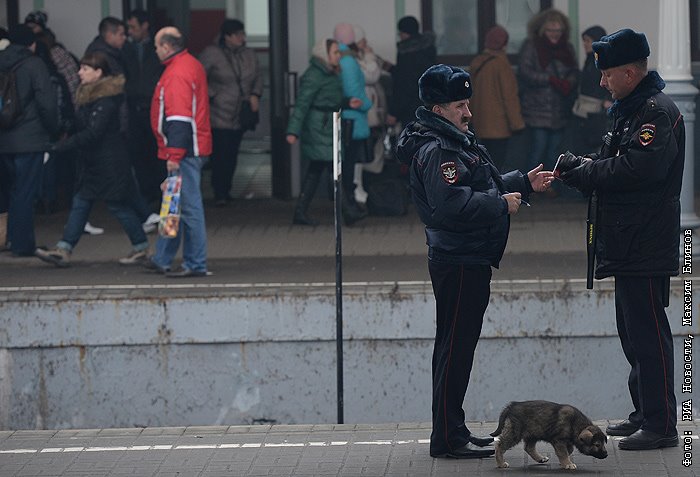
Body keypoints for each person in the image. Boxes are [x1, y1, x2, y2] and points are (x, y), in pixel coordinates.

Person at [395, 64, 553, 459]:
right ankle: (448, 439)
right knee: (455, 348)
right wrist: (500, 204)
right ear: (437, 109)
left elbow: (480, 181)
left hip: (467, 256)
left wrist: (520, 183)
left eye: (468, 103)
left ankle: (454, 429)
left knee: (456, 347)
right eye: (460, 105)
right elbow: (451, 206)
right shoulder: (439, 149)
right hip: (460, 258)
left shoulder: (452, 139)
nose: (468, 113)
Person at [556, 29, 681, 451]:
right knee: (632, 333)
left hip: (645, 241)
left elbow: (637, 170)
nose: (602, 83)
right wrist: (584, 165)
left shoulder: (654, 113)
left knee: (649, 335)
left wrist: (586, 173)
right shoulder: (630, 109)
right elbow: (616, 161)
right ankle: (645, 412)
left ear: (630, 72)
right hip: (628, 240)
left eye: (607, 74)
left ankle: (663, 424)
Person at [35, 52, 149, 267]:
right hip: (94, 163)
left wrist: (60, 146)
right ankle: (64, 248)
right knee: (81, 203)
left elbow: (93, 133)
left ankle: (141, 247)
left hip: (109, 163)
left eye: (85, 69)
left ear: (98, 73)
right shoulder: (90, 96)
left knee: (117, 206)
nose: (80, 72)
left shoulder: (105, 100)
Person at [146, 27, 212, 278]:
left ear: (166, 46)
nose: (154, 50)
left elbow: (178, 118)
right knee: (172, 207)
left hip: (183, 152)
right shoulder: (189, 65)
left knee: (188, 207)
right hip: (187, 148)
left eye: (156, 45)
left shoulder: (176, 73)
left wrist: (173, 155)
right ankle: (162, 257)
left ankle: (196, 263)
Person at [286, 39, 362, 226]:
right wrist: (292, 130)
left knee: (318, 169)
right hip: (319, 127)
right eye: (335, 52)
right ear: (324, 55)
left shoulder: (329, 73)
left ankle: (302, 212)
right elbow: (302, 103)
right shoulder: (315, 75)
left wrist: (346, 102)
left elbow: (329, 98)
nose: (338, 56)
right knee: (331, 168)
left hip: (325, 126)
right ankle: (347, 211)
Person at [0, 25, 58, 257]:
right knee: (26, 191)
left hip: (4, 139)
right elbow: (47, 103)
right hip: (29, 139)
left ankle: (12, 239)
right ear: (32, 44)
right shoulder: (34, 64)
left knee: (13, 191)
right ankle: (23, 245)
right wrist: (54, 130)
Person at [199, 19, 262, 207]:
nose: (241, 38)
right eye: (237, 35)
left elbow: (258, 76)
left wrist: (255, 94)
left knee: (232, 153)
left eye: (242, 34)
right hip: (218, 113)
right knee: (220, 154)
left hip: (240, 112)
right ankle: (219, 191)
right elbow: (198, 77)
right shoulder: (212, 54)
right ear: (227, 37)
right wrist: (213, 94)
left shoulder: (249, 55)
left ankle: (226, 189)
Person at [518, 8, 578, 172]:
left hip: (559, 109)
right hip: (536, 109)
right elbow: (525, 71)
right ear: (543, 29)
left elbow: (574, 71)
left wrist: (567, 83)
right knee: (537, 151)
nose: (555, 34)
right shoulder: (532, 46)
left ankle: (550, 187)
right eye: (551, 30)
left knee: (554, 153)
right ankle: (530, 186)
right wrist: (550, 80)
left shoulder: (567, 48)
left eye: (558, 30)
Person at [468, 25, 525, 170]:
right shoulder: (501, 64)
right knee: (498, 164)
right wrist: (517, 124)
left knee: (484, 162)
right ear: (504, 44)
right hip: (499, 125)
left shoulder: (477, 62)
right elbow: (509, 97)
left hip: (480, 123)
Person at [123, 9, 165, 204]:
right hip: (133, 107)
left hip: (154, 106)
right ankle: (146, 195)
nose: (130, 32)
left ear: (145, 25)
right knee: (138, 154)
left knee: (159, 152)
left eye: (133, 27)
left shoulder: (159, 48)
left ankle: (160, 193)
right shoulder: (126, 49)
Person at [333, 23, 371, 224]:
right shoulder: (348, 61)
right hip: (352, 120)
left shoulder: (338, 58)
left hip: (346, 118)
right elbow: (354, 93)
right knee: (348, 166)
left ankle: (347, 205)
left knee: (345, 165)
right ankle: (348, 208)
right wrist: (368, 103)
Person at [351, 25, 388, 205]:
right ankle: (359, 192)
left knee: (370, 154)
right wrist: (370, 56)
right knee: (361, 156)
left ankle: (365, 192)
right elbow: (372, 75)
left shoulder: (359, 59)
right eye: (363, 41)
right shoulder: (356, 61)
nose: (366, 44)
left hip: (370, 116)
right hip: (363, 115)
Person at [385, 16, 436, 129]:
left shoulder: (406, 53)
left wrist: (394, 112)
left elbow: (403, 84)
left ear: (405, 33)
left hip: (410, 109)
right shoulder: (428, 49)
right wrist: (393, 69)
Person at [570, 26, 612, 155]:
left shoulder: (603, 60)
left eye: (588, 41)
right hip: (584, 109)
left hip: (596, 110)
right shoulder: (589, 59)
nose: (584, 44)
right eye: (584, 41)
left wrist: (608, 99)